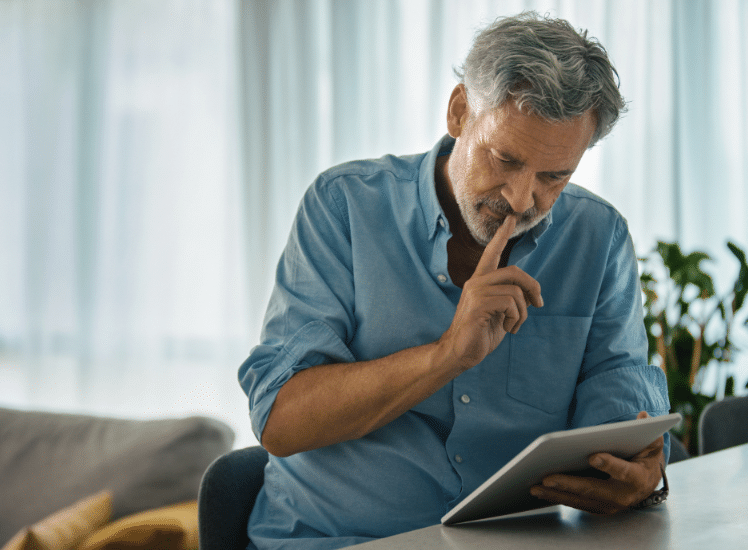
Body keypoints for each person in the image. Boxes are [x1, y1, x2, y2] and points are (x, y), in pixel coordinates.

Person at [239, 11, 670, 549]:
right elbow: (280, 421)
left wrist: (638, 475)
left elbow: (619, 412)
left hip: (512, 542)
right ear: (460, 111)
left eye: (554, 176)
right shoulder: (343, 206)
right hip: (340, 540)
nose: (521, 199)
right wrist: (446, 355)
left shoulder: (598, 237)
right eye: (505, 159)